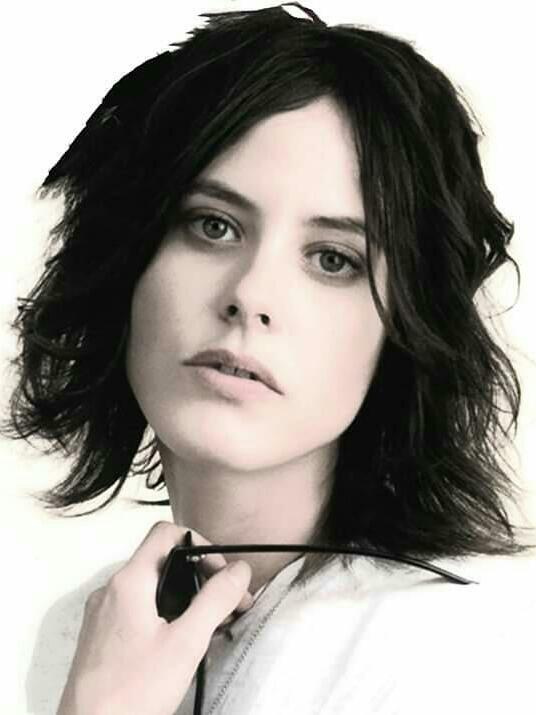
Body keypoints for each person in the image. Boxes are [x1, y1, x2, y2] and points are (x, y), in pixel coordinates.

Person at [4, 3, 536, 713]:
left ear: (405, 330)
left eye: (333, 259)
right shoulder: (85, 632)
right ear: (126, 258)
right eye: (213, 225)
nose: (250, 294)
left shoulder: (463, 653)